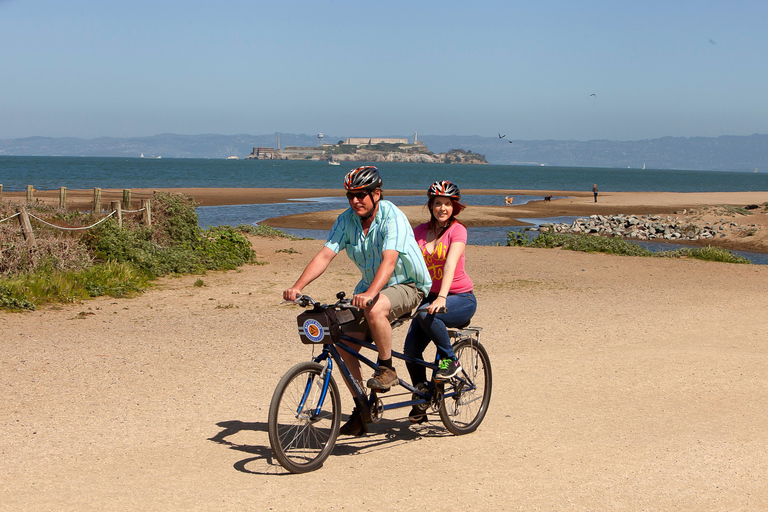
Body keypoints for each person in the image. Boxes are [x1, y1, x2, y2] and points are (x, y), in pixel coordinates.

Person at [283, 165, 431, 436]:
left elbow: (390, 260)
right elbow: (325, 255)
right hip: (369, 289)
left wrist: (372, 293)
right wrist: (297, 286)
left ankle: (387, 369)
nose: (355, 201)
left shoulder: (392, 216)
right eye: (351, 195)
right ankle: (362, 406)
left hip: (407, 284)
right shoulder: (346, 220)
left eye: (361, 195)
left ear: (377, 193)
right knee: (341, 342)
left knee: (376, 308)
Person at [403, 180, 477, 423]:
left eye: (447, 204)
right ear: (430, 206)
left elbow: (450, 264)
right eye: (437, 203)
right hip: (429, 299)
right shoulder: (420, 232)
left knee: (426, 314)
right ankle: (422, 396)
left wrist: (443, 297)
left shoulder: (458, 230)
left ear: (454, 207)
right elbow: (406, 263)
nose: (442, 208)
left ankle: (450, 361)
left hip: (460, 298)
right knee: (410, 350)